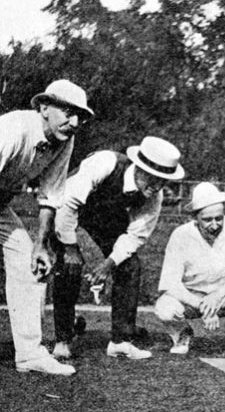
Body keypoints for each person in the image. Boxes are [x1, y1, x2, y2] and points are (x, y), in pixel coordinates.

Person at [51, 136, 184, 360]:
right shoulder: (106, 162)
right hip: (65, 208)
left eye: (164, 181)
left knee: (130, 265)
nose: (157, 186)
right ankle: (63, 339)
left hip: (104, 218)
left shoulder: (154, 196)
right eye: (153, 178)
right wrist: (71, 250)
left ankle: (121, 341)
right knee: (69, 265)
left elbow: (135, 236)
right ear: (139, 167)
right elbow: (69, 204)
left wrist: (108, 263)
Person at [0, 79, 93, 375]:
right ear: (43, 108)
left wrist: (40, 244)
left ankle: (29, 354)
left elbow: (51, 194)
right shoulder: (12, 130)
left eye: (80, 116)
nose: (74, 122)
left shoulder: (65, 139)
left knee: (27, 261)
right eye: (68, 112)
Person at [154, 182, 225, 357]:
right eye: (207, 220)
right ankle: (182, 334)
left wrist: (217, 295)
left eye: (219, 218)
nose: (214, 225)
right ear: (195, 218)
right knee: (165, 308)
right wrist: (203, 306)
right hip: (192, 299)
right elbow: (170, 284)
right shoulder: (180, 235)